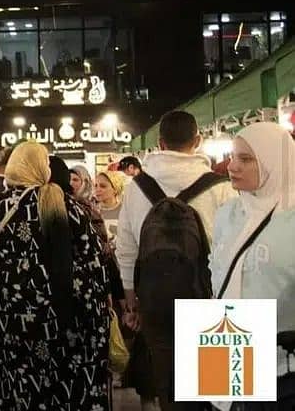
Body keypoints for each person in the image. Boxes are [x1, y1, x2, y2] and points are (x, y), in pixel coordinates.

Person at [0, 141, 110, 410]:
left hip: (12, 322)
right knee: (64, 390)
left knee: (20, 392)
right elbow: (95, 263)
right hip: (67, 320)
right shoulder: (68, 207)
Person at [116, 111, 237, 411]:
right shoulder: (221, 186)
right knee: (220, 391)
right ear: (198, 141)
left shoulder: (136, 187)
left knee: (170, 385)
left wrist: (132, 299)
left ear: (159, 143)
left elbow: (126, 248)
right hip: (210, 297)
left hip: (155, 298)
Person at [210, 122, 295, 410]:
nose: (232, 166)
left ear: (275, 161)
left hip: (282, 363)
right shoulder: (228, 213)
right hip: (225, 352)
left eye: (246, 159)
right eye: (233, 156)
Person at [95, 169, 127, 242]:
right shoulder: (91, 211)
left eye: (103, 186)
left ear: (115, 188)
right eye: (96, 185)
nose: (97, 189)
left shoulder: (126, 211)